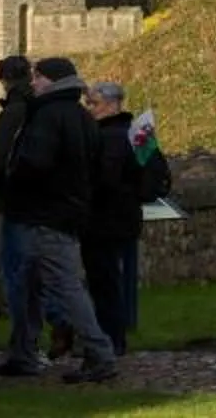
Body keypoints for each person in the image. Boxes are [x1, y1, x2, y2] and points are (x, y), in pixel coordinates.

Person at [0, 56, 118, 384]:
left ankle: (100, 353)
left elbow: (35, 164)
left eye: (38, 77)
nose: (33, 82)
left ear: (51, 81)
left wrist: (12, 182)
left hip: (42, 214)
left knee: (63, 287)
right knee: (31, 287)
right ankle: (23, 352)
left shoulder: (48, 116)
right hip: (66, 211)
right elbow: (95, 169)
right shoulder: (82, 117)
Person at [82, 81, 145, 353]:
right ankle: (115, 336)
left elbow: (105, 180)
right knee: (116, 281)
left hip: (105, 219)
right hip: (127, 216)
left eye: (94, 104)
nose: (90, 109)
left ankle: (110, 341)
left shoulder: (108, 137)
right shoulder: (135, 133)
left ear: (110, 105)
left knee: (105, 283)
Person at [0, 56, 34, 353]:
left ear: (3, 79)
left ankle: (23, 346)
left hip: (17, 202)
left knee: (16, 275)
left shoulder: (13, 112)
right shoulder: (44, 109)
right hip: (49, 202)